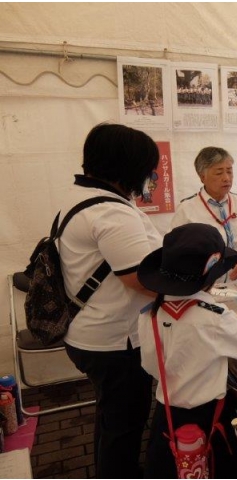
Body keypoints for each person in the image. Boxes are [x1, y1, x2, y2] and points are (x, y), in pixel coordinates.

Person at [59, 123, 162, 478]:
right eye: (148, 166)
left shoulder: (80, 198)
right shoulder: (112, 212)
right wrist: (201, 286)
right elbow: (142, 278)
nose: (151, 176)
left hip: (89, 332)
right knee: (125, 425)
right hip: (113, 342)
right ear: (128, 166)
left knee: (112, 418)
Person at [138, 223, 237, 478]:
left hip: (166, 415)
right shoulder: (214, 317)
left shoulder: (150, 315)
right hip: (210, 416)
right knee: (217, 467)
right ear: (210, 278)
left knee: (171, 468)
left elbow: (149, 365)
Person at [171, 147, 237, 282]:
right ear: (202, 177)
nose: (226, 178)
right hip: (204, 284)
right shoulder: (186, 208)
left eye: (229, 172)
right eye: (219, 173)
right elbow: (174, 250)